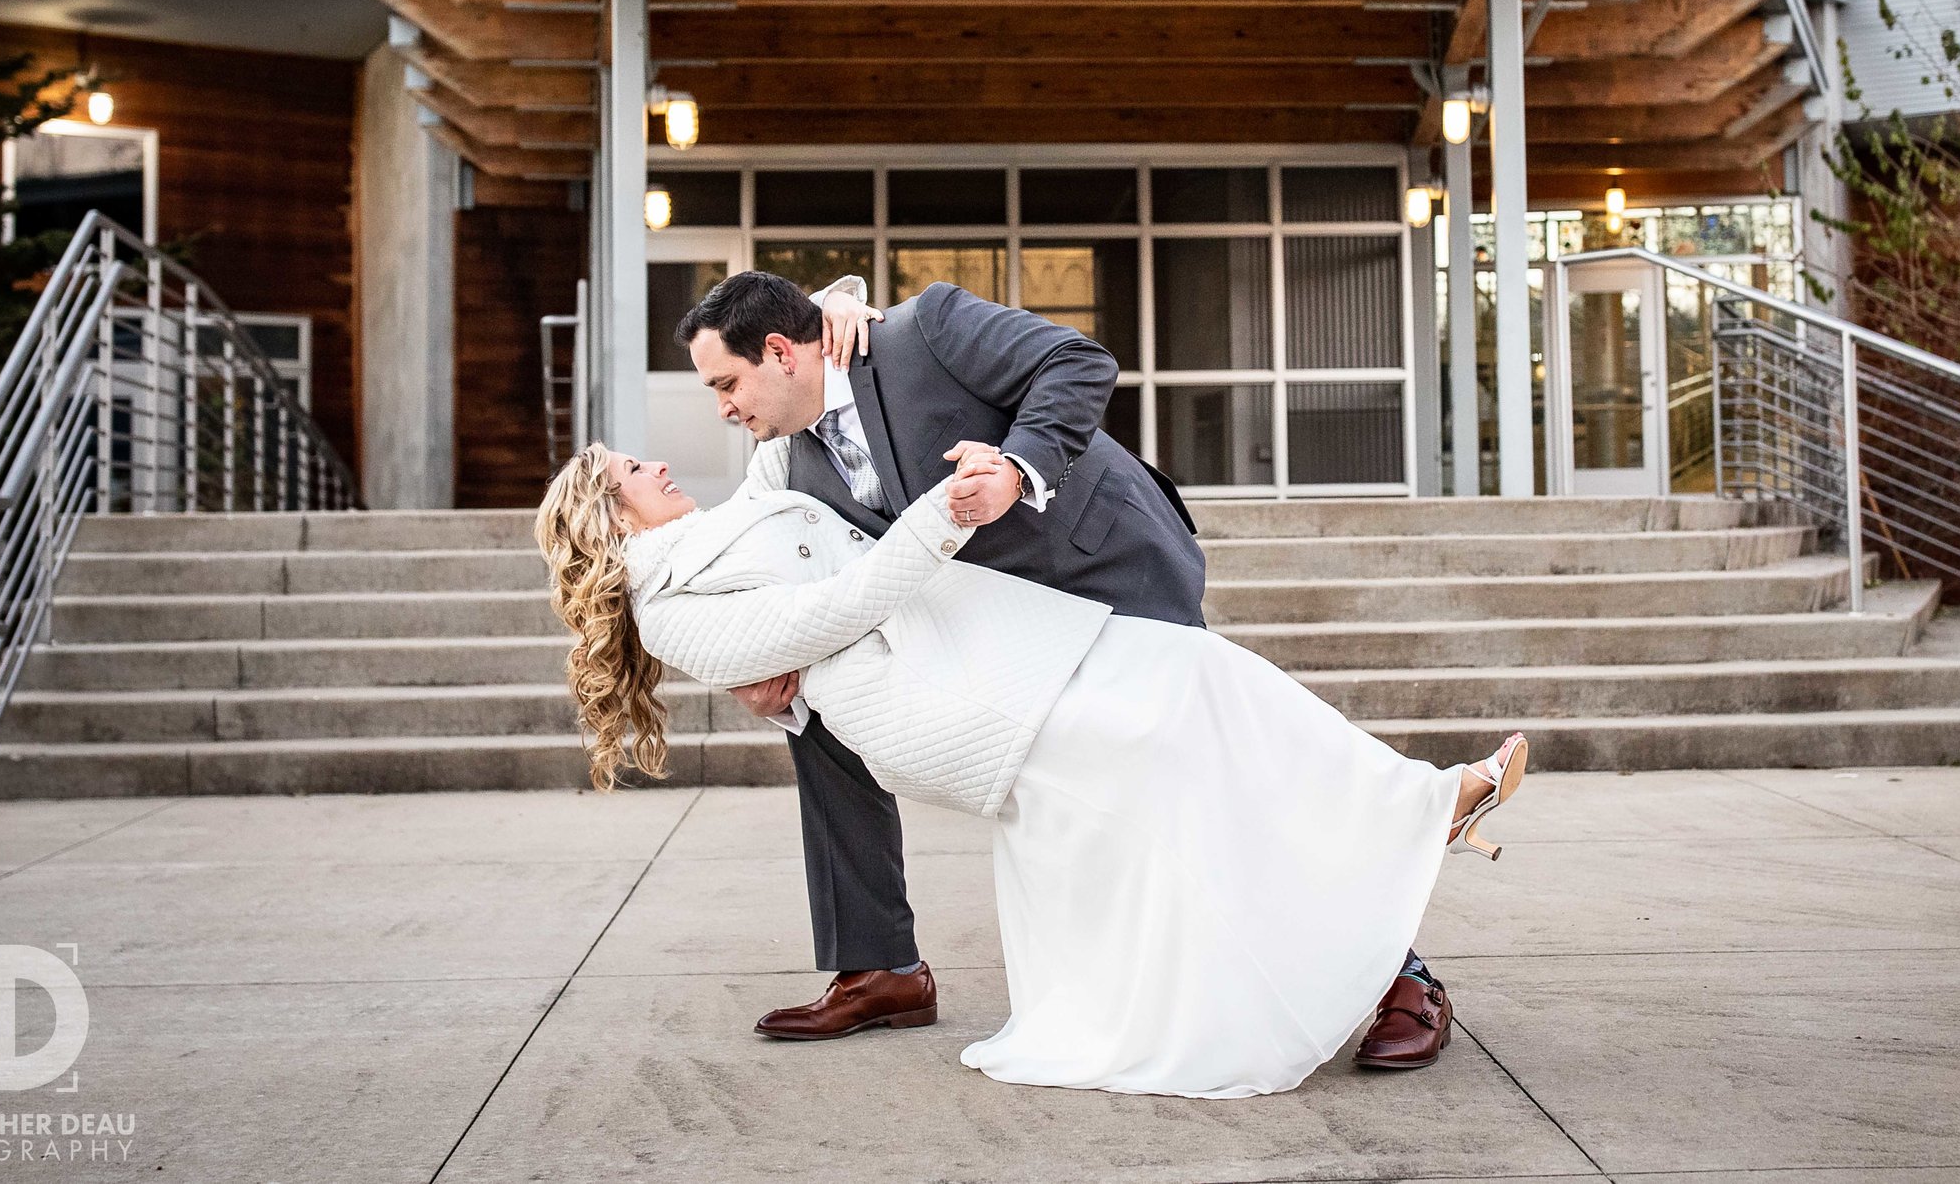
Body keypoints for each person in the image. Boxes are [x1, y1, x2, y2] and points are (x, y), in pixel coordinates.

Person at [533, 441, 1528, 1099]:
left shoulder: (736, 512)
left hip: (986, 635)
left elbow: (788, 413)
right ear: (606, 513)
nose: (657, 458)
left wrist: (836, 306)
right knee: (1166, 765)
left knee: (1201, 671)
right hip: (936, 701)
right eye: (629, 464)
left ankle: (1414, 806)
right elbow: (824, 614)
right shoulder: (668, 604)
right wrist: (943, 514)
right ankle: (1406, 835)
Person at [681, 271, 1463, 1068]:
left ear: (781, 351)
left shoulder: (926, 330)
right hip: (998, 632)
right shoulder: (790, 467)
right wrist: (767, 669)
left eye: (726, 383)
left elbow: (1078, 361)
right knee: (825, 709)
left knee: (1211, 771)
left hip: (1108, 570)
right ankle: (881, 963)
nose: (723, 408)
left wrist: (1019, 467)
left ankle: (1397, 969)